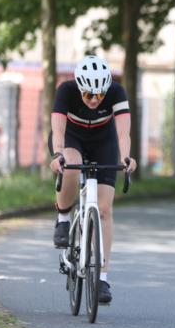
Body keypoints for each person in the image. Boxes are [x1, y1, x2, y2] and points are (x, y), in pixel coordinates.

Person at [49, 55, 137, 304]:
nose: (94, 100)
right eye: (88, 95)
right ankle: (64, 217)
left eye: (99, 95)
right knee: (72, 166)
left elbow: (123, 132)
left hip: (103, 142)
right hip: (71, 138)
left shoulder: (116, 92)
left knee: (105, 209)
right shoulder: (65, 91)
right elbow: (58, 130)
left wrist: (127, 158)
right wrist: (57, 155)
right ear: (79, 87)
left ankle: (102, 278)